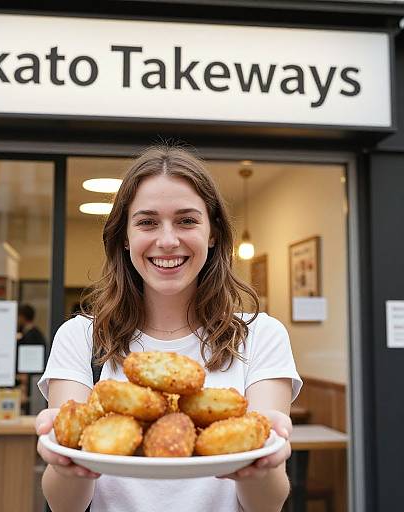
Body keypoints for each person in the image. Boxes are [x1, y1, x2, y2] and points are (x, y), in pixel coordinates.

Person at [36, 145, 302, 512]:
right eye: (147, 222)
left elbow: (266, 505)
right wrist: (65, 462)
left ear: (213, 233)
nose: (167, 240)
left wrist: (261, 465)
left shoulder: (261, 336)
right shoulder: (80, 337)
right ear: (125, 237)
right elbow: (66, 505)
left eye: (187, 220)